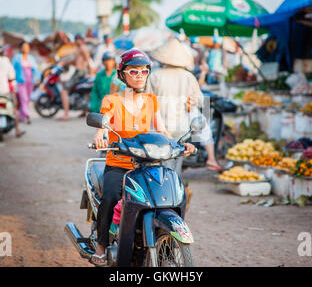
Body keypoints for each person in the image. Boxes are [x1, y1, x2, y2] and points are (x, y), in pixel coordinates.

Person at [90, 48, 195, 266]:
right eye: (133, 72)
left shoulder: (151, 100)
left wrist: (179, 144)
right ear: (122, 75)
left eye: (143, 72)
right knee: (110, 197)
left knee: (171, 194)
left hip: (146, 164)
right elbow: (103, 123)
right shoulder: (112, 100)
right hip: (119, 164)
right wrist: (100, 137)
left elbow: (163, 131)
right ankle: (101, 246)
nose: (139, 76)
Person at [147, 39, 222, 173]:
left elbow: (146, 101)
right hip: (181, 129)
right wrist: (191, 102)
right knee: (204, 127)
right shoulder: (188, 76)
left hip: (157, 127)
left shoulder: (154, 76)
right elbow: (199, 100)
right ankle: (211, 159)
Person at [59, 34, 94, 120]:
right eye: (76, 39)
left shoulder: (83, 48)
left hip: (80, 72)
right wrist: (64, 63)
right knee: (78, 91)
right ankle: (83, 111)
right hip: (78, 72)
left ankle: (66, 114)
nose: (77, 40)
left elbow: (88, 60)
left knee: (64, 91)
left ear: (82, 40)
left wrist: (91, 72)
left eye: (78, 39)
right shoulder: (78, 49)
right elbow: (74, 61)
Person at [12, 41, 41, 124]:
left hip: (30, 82)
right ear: (21, 48)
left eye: (27, 47)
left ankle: (22, 116)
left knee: (27, 99)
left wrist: (38, 78)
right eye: (24, 47)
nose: (26, 49)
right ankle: (28, 115)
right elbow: (12, 69)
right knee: (23, 98)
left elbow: (35, 69)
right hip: (21, 82)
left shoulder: (31, 58)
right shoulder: (16, 58)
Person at [0, 45, 25, 137]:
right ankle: (17, 130)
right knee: (14, 108)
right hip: (5, 92)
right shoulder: (7, 63)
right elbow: (12, 77)